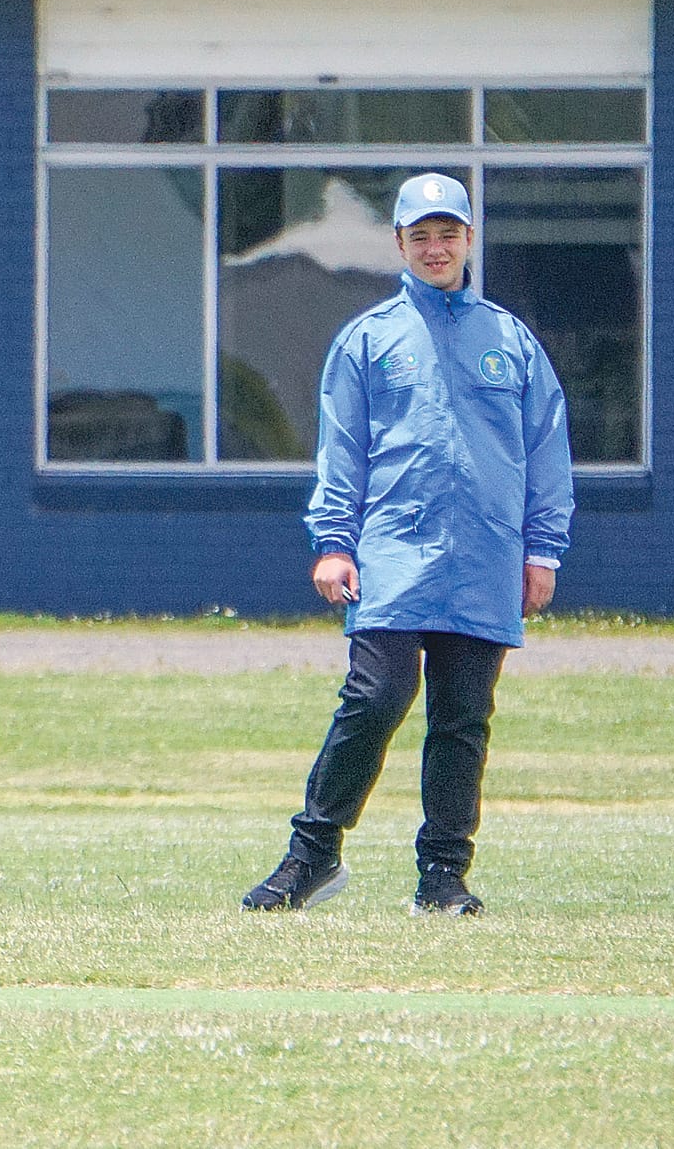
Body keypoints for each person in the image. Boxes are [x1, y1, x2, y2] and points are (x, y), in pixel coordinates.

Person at [242, 172, 574, 917]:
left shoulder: (511, 341)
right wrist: (335, 542)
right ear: (399, 244)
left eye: (447, 233)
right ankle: (312, 856)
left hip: (486, 556)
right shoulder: (368, 340)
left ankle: (443, 877)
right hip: (393, 552)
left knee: (462, 719)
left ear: (469, 240)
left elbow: (546, 449)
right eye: (420, 236)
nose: (435, 248)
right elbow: (343, 451)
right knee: (374, 696)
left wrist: (542, 549)